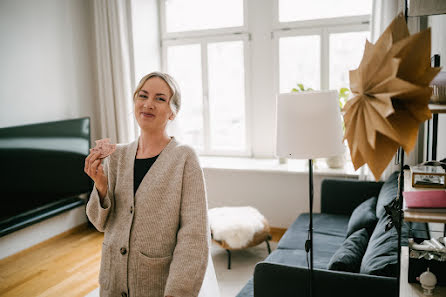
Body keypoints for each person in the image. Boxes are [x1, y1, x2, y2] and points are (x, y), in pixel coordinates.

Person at [85, 72, 215, 297]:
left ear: (173, 112)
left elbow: (194, 237)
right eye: (142, 96)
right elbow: (99, 223)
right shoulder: (115, 157)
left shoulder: (184, 158)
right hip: (112, 282)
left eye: (160, 98)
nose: (148, 104)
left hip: (157, 286)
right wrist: (101, 188)